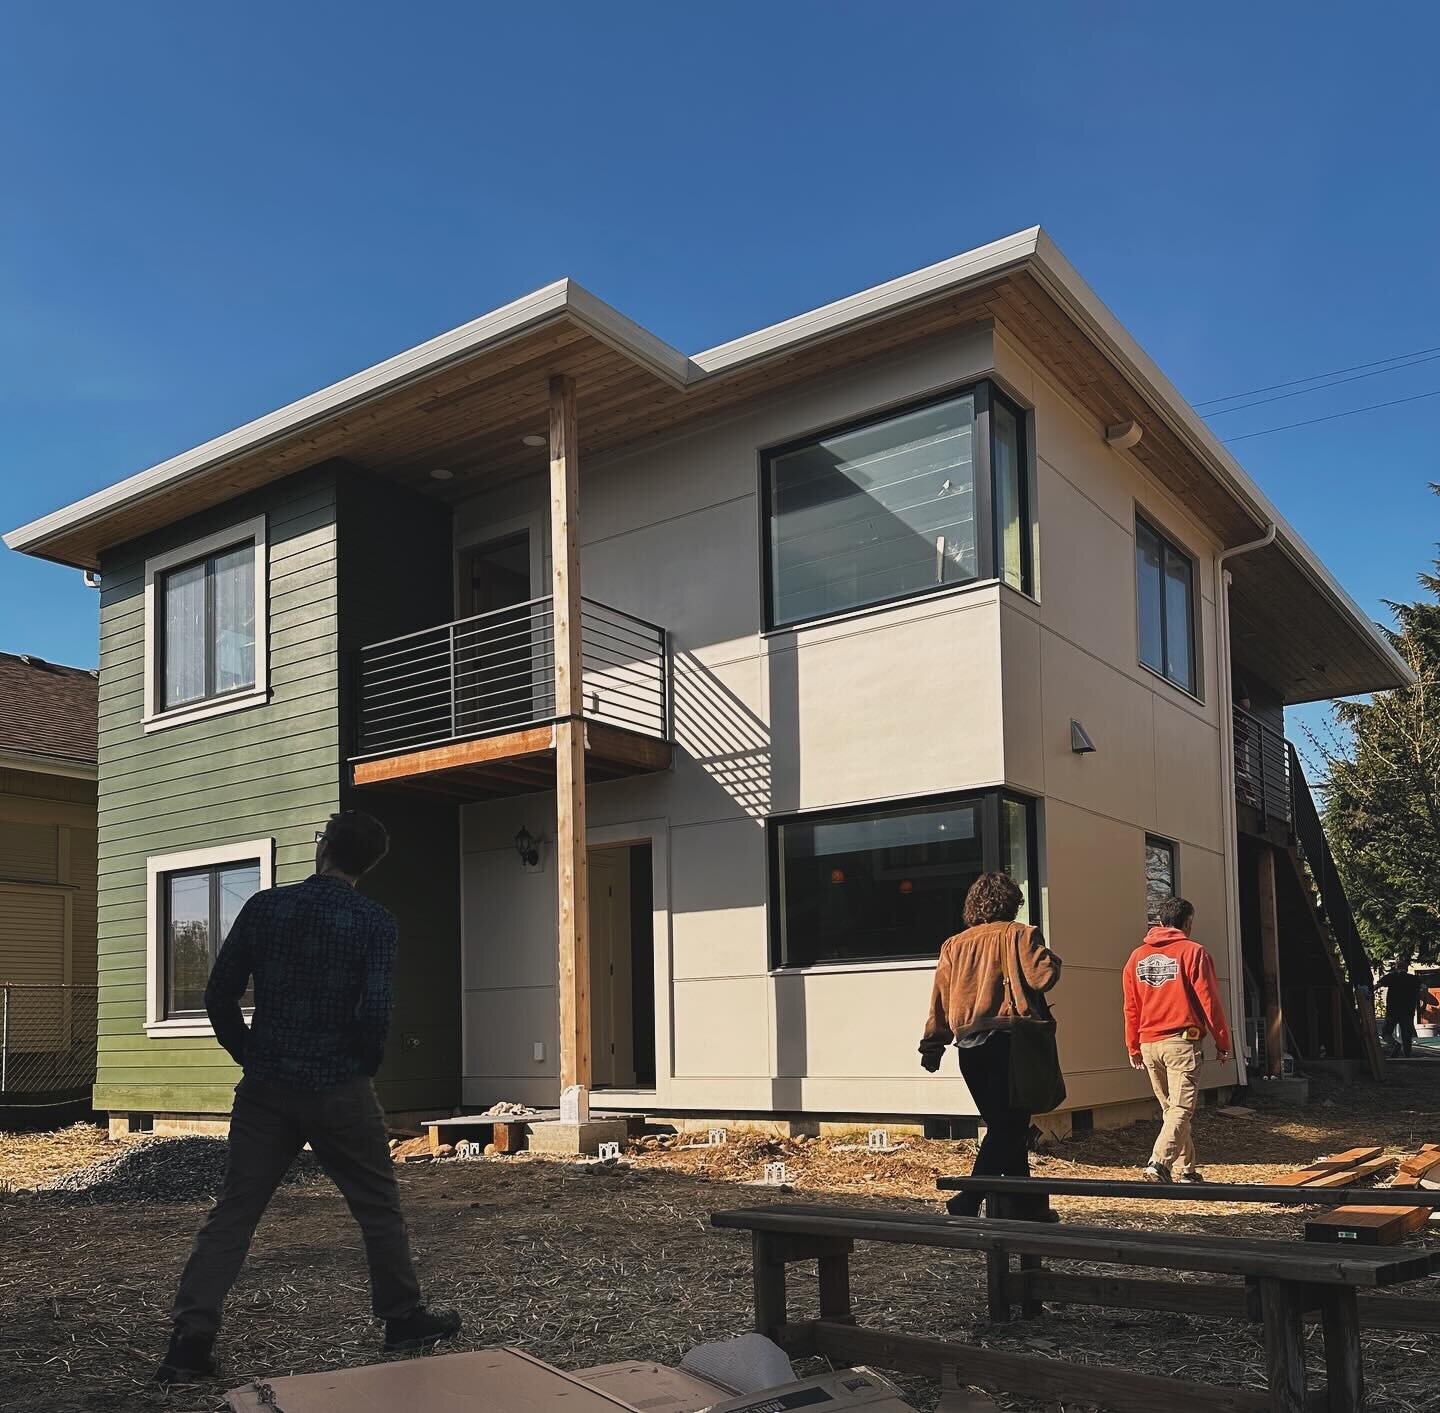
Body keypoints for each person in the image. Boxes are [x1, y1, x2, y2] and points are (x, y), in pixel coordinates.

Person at [156, 811, 461, 1385]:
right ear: (366, 864)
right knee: (377, 1205)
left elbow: (218, 992)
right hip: (339, 1085)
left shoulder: (265, 907)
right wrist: (361, 1067)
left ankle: (189, 1343)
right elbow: (376, 1011)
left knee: (234, 1213)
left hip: (266, 1086)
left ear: (324, 849)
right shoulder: (375, 921)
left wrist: (248, 1052)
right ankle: (401, 1318)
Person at [918, 872, 1062, 1218]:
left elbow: (940, 997)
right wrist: (1051, 957)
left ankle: (1026, 1209)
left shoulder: (954, 945)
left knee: (1005, 1125)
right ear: (1013, 902)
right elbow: (1043, 977)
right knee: (1010, 1125)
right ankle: (968, 1198)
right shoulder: (1020, 935)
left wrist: (932, 1045)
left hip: (969, 1047)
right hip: (1010, 1041)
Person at [1122, 896, 1231, 1184]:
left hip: (1148, 1044)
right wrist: (1223, 1042)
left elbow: (1131, 1007)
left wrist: (1132, 1045)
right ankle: (1158, 1164)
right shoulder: (1193, 952)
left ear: (1159, 921)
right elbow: (1210, 1001)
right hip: (1181, 1042)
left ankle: (1187, 1170)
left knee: (1172, 1111)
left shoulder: (1136, 958)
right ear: (1188, 921)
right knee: (1181, 1109)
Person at [1377, 961, 1423, 1058]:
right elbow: (1424, 989)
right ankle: (1407, 1055)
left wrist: (1367, 994)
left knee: (1386, 1032)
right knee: (1407, 1035)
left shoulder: (1391, 976)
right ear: (1406, 969)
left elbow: (1378, 985)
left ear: (1396, 968)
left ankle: (1394, 1044)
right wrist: (1424, 1004)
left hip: (1392, 1010)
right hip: (1407, 1011)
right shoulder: (1414, 979)